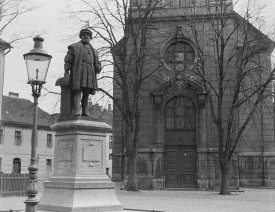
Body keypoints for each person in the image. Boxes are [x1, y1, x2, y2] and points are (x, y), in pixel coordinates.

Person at [64, 28, 101, 116]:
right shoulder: (74, 47)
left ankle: (84, 111)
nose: (86, 36)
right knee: (78, 90)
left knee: (86, 91)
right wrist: (66, 69)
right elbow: (68, 59)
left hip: (90, 72)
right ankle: (77, 111)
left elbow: (97, 61)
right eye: (84, 34)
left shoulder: (94, 51)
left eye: (88, 35)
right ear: (81, 36)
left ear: (90, 37)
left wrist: (98, 66)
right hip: (79, 70)